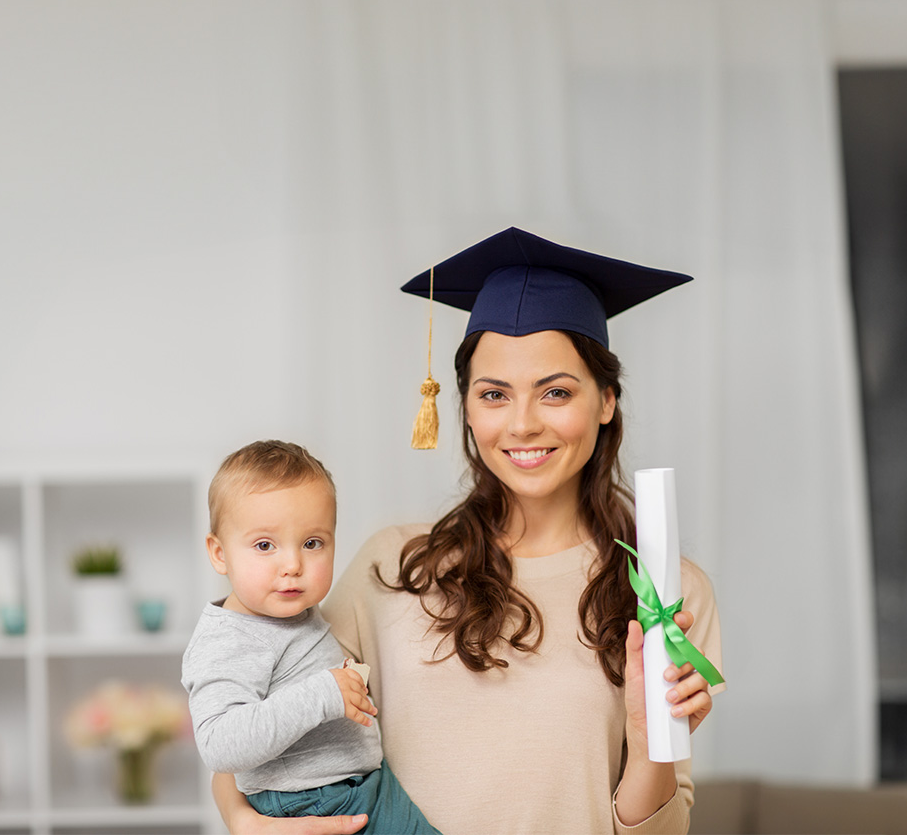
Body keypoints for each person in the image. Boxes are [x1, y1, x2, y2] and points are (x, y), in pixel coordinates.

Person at [213, 227, 722, 834]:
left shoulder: (663, 591)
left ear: (606, 399)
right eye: (494, 394)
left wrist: (646, 740)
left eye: (556, 392)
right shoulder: (392, 566)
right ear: (466, 407)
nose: (524, 423)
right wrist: (240, 820)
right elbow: (252, 713)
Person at [182, 440, 441, 834]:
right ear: (219, 554)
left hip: (366, 784)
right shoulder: (228, 641)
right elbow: (220, 744)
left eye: (312, 543)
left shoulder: (293, 609)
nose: (292, 565)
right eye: (265, 545)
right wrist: (325, 693)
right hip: (308, 801)